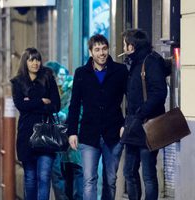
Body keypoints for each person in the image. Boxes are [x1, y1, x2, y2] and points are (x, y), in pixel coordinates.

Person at [67, 34, 128, 200]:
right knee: (89, 179)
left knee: (111, 180)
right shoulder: (81, 73)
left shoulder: (120, 71)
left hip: (114, 133)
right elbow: (74, 105)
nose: (101, 53)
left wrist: (126, 124)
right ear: (90, 52)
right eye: (97, 49)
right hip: (89, 135)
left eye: (104, 49)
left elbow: (132, 99)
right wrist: (72, 132)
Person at [120, 29, 168, 200]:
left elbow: (159, 92)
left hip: (148, 125)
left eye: (124, 44)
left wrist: (141, 114)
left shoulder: (151, 61)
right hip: (134, 125)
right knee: (129, 171)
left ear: (131, 46)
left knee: (148, 173)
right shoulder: (133, 63)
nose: (123, 47)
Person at [10, 47, 61, 200]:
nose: (35, 63)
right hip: (26, 136)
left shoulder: (48, 77)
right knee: (30, 179)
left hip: (46, 134)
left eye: (37, 59)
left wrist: (31, 103)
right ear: (25, 62)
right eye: (31, 59)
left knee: (44, 177)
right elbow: (20, 105)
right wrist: (41, 101)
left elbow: (55, 105)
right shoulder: (17, 82)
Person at [45, 61, 83, 200]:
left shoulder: (71, 87)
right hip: (60, 138)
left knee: (76, 170)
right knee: (64, 173)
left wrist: (63, 115)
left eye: (61, 75)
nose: (58, 79)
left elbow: (77, 108)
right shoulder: (54, 90)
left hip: (74, 134)